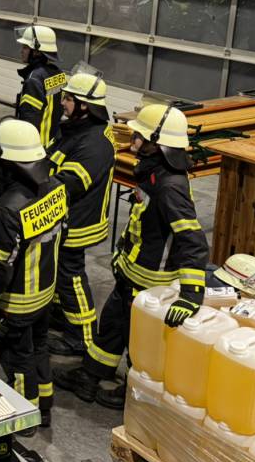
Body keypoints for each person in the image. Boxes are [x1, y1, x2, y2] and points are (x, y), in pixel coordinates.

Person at [56, 104, 208, 410]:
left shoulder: (170, 188)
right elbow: (142, 224)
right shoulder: (154, 176)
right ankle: (92, 375)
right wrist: (121, 258)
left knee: (140, 345)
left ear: (159, 143)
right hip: (131, 277)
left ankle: (136, 394)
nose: (133, 143)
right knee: (111, 329)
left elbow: (192, 240)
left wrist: (191, 294)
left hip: (149, 287)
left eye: (139, 137)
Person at [0, 118, 67, 435]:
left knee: (18, 361)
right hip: (45, 293)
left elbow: (0, 266)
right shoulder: (57, 188)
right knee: (39, 349)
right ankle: (43, 408)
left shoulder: (6, 209)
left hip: (16, 303)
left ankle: (24, 417)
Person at [45, 70, 116, 358]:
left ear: (85, 106)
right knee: (61, 273)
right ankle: (64, 317)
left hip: (78, 223)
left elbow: (71, 184)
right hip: (67, 218)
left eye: (69, 99)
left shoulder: (94, 143)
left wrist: (32, 179)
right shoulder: (79, 129)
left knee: (70, 277)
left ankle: (82, 337)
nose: (63, 103)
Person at [15, 25, 67, 150]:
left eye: (25, 47)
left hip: (36, 146)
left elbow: (29, 121)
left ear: (37, 52)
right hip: (53, 142)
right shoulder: (59, 73)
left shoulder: (34, 79)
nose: (21, 51)